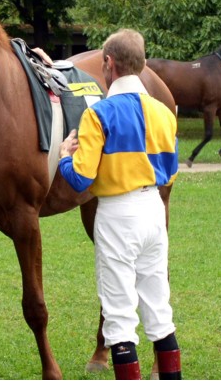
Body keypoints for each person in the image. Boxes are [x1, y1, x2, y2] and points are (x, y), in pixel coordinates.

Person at [58, 29, 182, 380]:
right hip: (153, 211)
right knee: (159, 309)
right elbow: (169, 171)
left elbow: (80, 179)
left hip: (117, 213)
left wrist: (66, 157)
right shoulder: (164, 113)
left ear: (108, 64)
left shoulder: (98, 114)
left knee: (119, 317)